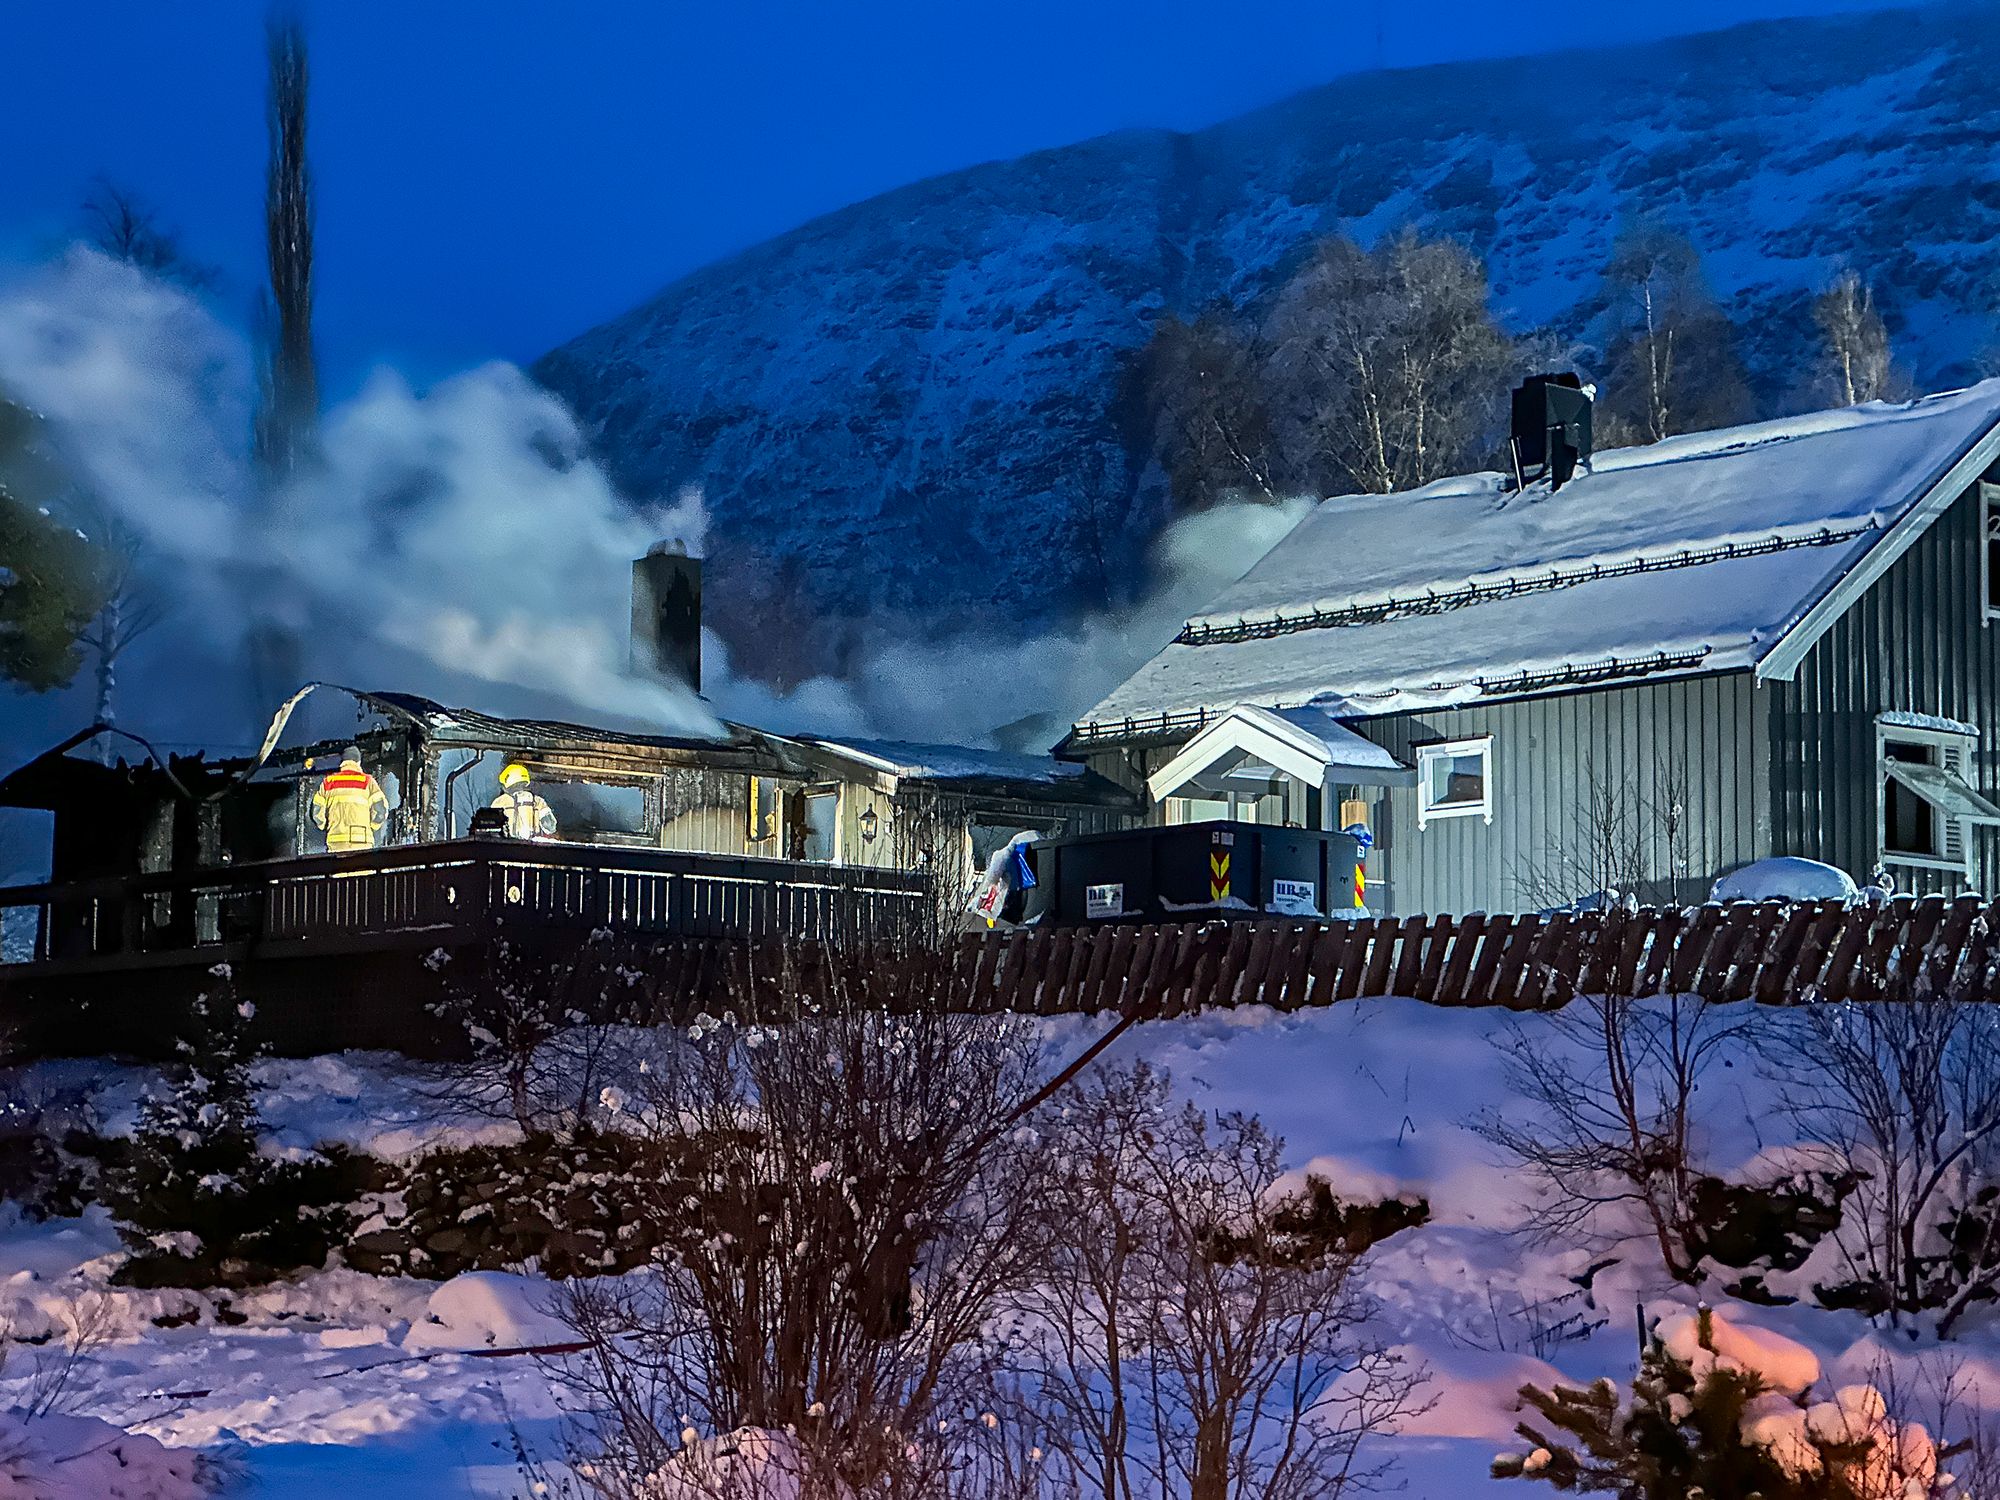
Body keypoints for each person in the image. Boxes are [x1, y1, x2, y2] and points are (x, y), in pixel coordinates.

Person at [311, 745, 390, 851]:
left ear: (343, 762)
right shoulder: (367, 781)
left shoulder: (328, 782)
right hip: (362, 841)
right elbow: (381, 810)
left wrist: (324, 825)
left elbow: (316, 813)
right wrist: (372, 826)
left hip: (336, 841)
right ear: (358, 762)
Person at [492, 762, 558, 840]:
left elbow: (492, 830)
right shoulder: (538, 801)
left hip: (506, 847)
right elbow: (551, 826)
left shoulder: (500, 802)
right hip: (533, 848)